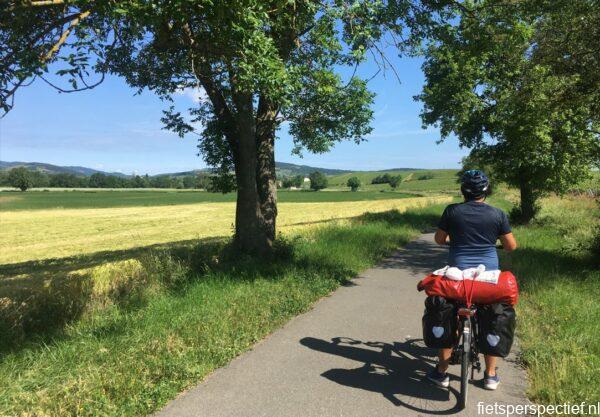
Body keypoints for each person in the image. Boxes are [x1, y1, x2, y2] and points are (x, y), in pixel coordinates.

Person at [426, 170, 517, 391]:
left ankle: (441, 373)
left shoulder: (452, 211)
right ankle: (490, 376)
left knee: (450, 315)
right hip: (487, 280)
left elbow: (439, 239)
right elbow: (511, 246)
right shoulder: (498, 214)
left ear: (463, 190)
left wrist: (454, 240)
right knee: (491, 317)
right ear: (486, 190)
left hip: (457, 278)